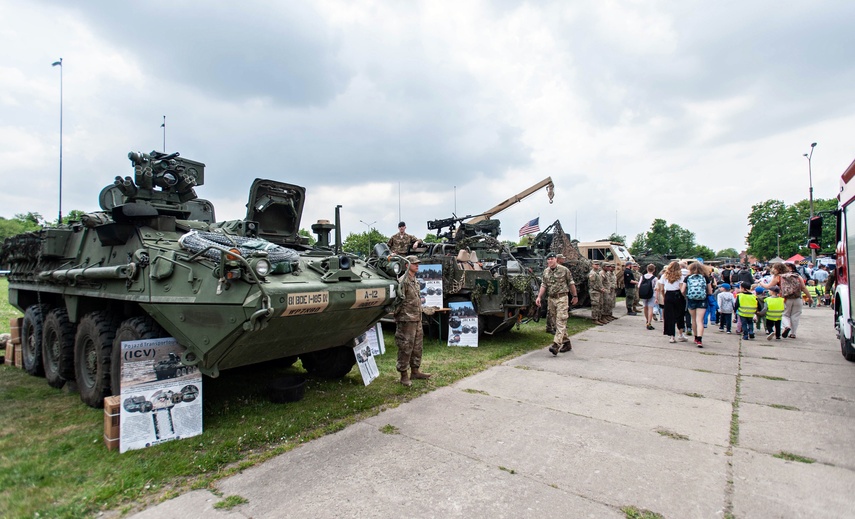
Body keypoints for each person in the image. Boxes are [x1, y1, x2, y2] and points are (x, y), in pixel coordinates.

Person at [394, 255, 431, 386]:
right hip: (406, 320)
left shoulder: (415, 280)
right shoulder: (402, 281)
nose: (417, 265)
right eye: (414, 263)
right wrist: (400, 317)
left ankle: (415, 371)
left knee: (417, 347)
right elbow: (397, 302)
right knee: (405, 347)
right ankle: (403, 375)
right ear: (407, 265)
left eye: (417, 263)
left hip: (416, 318)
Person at [535, 252, 578, 354]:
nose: (550, 260)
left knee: (561, 320)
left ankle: (556, 345)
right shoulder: (546, 272)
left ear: (556, 259)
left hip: (562, 298)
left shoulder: (564, 270)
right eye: (548, 259)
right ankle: (566, 343)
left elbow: (571, 283)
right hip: (551, 299)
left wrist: (575, 296)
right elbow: (544, 284)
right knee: (554, 322)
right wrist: (539, 297)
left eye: (552, 258)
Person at [760, 262, 812, 339]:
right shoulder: (796, 276)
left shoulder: (778, 277)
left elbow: (769, 286)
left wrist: (761, 283)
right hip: (797, 298)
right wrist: (809, 297)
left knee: (784, 314)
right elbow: (803, 288)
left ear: (777, 269)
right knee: (795, 316)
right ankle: (793, 333)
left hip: (785, 298)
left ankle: (787, 326)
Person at [681, 262, 712, 347]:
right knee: (700, 320)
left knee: (693, 319)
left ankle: (695, 337)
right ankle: (699, 339)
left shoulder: (688, 277)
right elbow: (710, 291)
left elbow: (683, 290)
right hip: (702, 299)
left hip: (691, 299)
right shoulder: (705, 277)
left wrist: (686, 296)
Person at [660, 261, 688, 343]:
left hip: (668, 294)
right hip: (677, 295)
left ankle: (671, 336)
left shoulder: (664, 276)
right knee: (680, 315)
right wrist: (684, 297)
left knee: (669, 316)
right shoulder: (680, 276)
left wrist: (664, 296)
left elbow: (662, 288)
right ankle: (680, 334)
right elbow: (681, 289)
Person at [638, 263, 658, 330]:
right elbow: (656, 288)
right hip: (651, 294)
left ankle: (647, 320)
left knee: (645, 307)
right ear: (654, 270)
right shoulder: (655, 278)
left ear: (647, 269)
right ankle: (649, 322)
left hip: (644, 294)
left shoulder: (642, 276)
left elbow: (639, 285)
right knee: (650, 308)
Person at [588, 261, 607, 325]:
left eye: (598, 265)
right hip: (594, 292)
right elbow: (592, 284)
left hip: (599, 291)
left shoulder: (597, 273)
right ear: (592, 265)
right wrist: (600, 289)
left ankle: (599, 318)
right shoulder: (592, 273)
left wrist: (602, 288)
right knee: (595, 306)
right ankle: (594, 319)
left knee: (600, 305)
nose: (597, 266)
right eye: (595, 264)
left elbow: (599, 283)